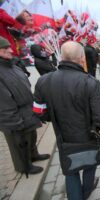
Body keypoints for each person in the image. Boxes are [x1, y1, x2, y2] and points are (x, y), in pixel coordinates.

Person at [33, 41, 100, 200]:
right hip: (90, 137)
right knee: (90, 165)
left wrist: (53, 118)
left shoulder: (44, 81)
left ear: (62, 56)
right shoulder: (91, 82)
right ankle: (86, 192)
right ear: (82, 58)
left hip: (64, 138)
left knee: (71, 170)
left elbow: (39, 111)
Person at [0, 36, 49, 176]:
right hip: (14, 115)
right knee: (19, 143)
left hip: (27, 110)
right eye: (5, 48)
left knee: (30, 137)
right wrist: (14, 123)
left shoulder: (12, 66)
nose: (11, 50)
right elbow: (3, 103)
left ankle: (33, 155)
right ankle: (24, 166)